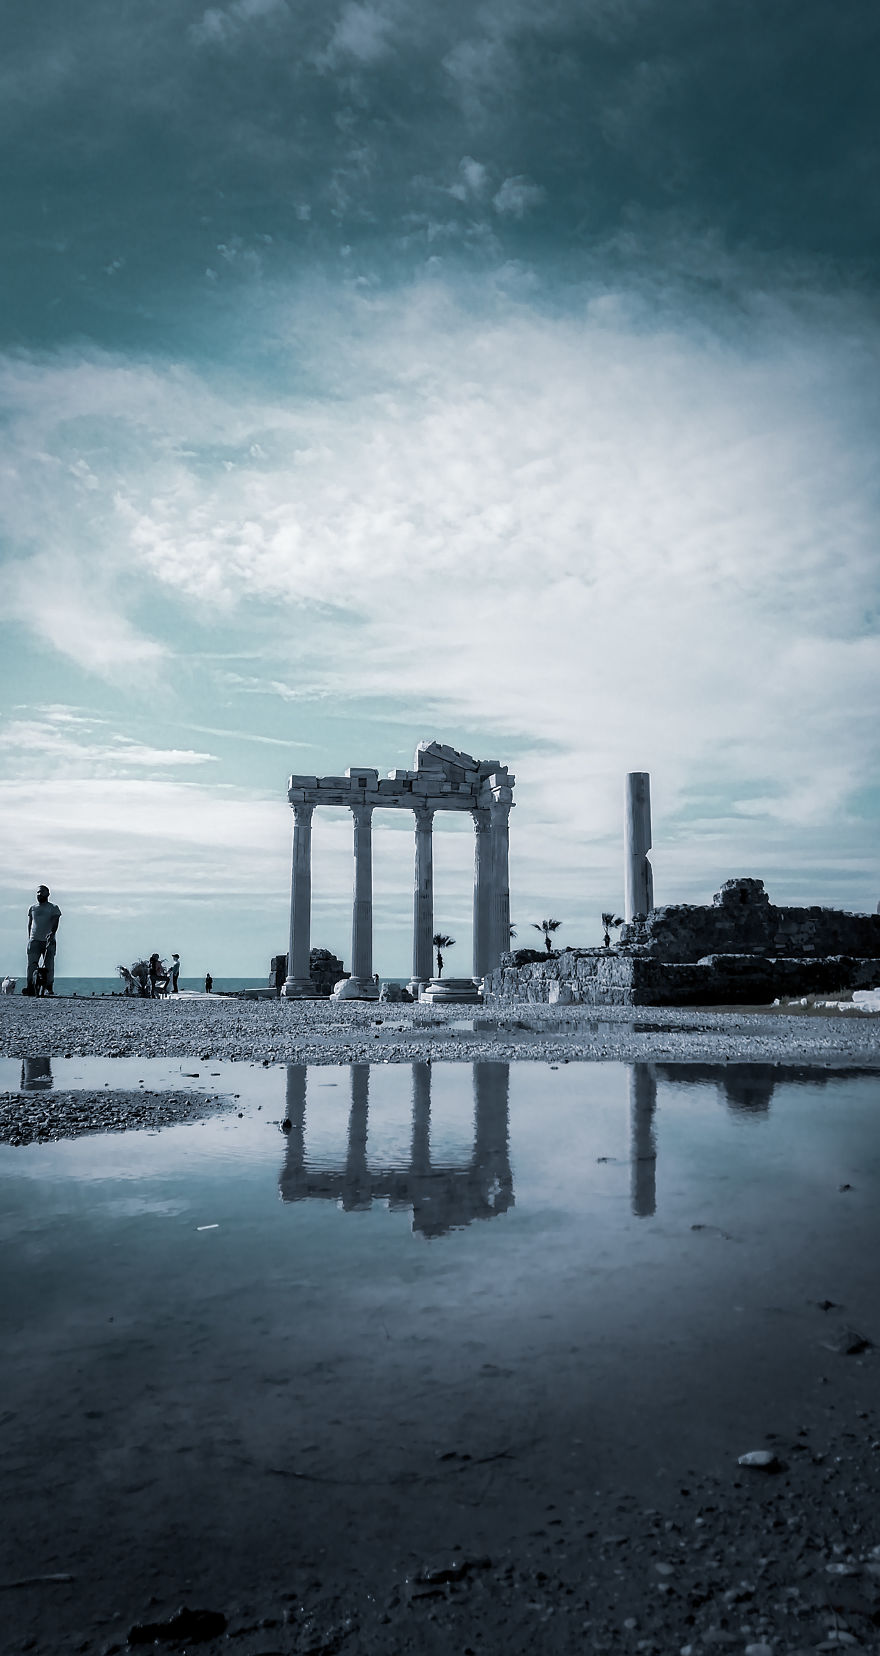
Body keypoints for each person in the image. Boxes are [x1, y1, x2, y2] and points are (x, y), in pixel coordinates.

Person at [24, 885, 61, 996]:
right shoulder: (33, 908)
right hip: (34, 940)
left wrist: (52, 933)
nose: (39, 894)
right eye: (38, 892)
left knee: (48, 965)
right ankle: (31, 987)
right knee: (32, 965)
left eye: (42, 892)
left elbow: (55, 922)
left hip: (48, 941)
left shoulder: (53, 908)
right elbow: (30, 923)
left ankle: (48, 987)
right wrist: (29, 937)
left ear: (48, 894)